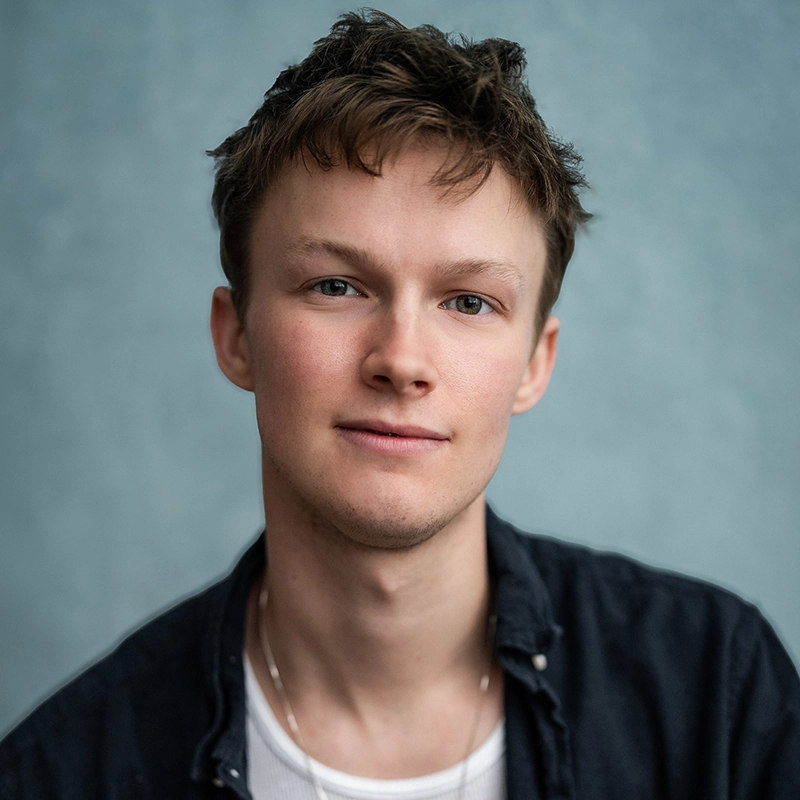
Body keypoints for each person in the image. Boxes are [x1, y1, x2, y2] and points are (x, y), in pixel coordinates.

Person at [1, 9, 798, 800]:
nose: (402, 361)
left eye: (469, 302)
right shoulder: (64, 771)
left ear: (534, 363)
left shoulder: (717, 699)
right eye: (337, 287)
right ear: (236, 336)